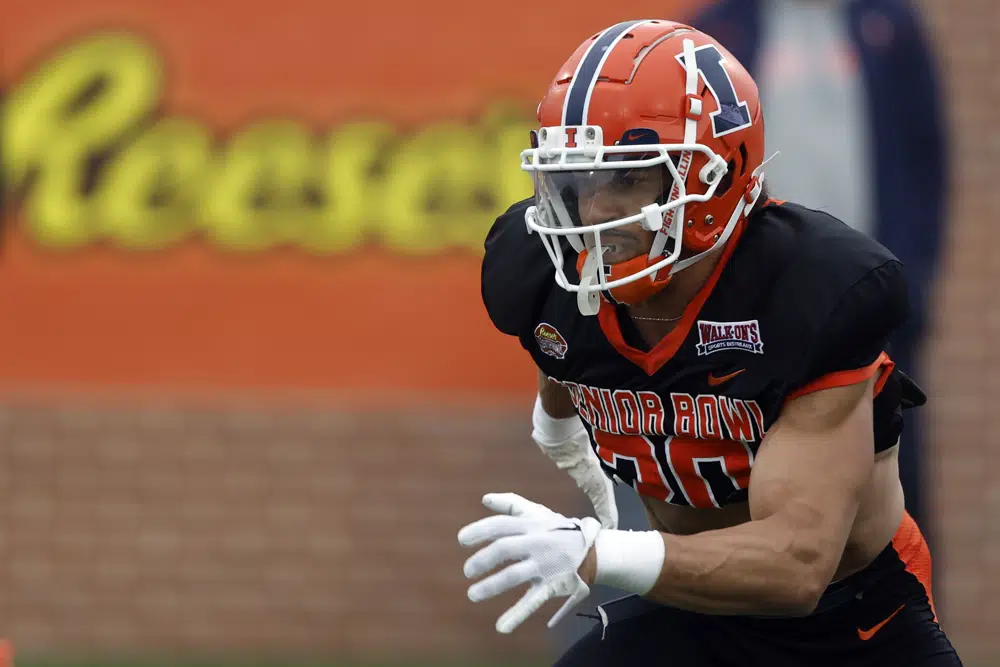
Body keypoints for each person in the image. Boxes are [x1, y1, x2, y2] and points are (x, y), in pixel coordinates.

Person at [458, 19, 961, 666]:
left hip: (851, 621)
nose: (593, 214)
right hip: (696, 608)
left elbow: (796, 565)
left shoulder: (807, 292)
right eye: (578, 181)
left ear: (714, 176)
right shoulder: (541, 277)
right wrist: (557, 424)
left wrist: (599, 552)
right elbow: (561, 344)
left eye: (628, 179)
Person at [687, 0, 949, 544]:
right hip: (751, 309)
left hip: (868, 305)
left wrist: (914, 282)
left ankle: (903, 626)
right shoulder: (715, 32)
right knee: (748, 494)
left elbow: (928, 164)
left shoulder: (890, 26)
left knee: (892, 496)